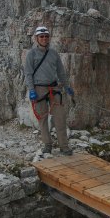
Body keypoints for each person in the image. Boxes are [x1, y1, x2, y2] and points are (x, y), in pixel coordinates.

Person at [24, 26, 74, 156]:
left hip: (53, 88)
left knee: (60, 117)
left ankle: (64, 146)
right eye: (42, 36)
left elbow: (61, 72)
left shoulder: (53, 54)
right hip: (38, 89)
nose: (44, 39)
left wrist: (67, 86)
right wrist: (31, 90)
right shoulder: (31, 54)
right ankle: (47, 145)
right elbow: (28, 74)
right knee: (43, 118)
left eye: (46, 36)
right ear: (36, 38)